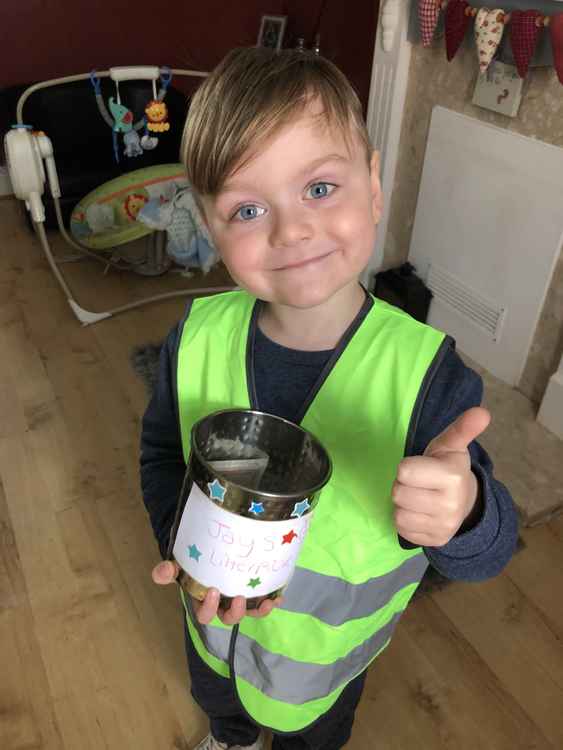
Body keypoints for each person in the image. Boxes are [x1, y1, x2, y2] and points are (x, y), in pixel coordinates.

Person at [140, 47, 519, 750]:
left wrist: (463, 514)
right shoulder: (192, 336)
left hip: (326, 665)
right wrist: (178, 536)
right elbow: (162, 454)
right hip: (211, 622)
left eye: (319, 189)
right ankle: (230, 736)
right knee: (217, 697)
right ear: (209, 227)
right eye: (247, 208)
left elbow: (491, 551)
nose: (290, 231)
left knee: (316, 736)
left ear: (373, 185)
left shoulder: (424, 375)